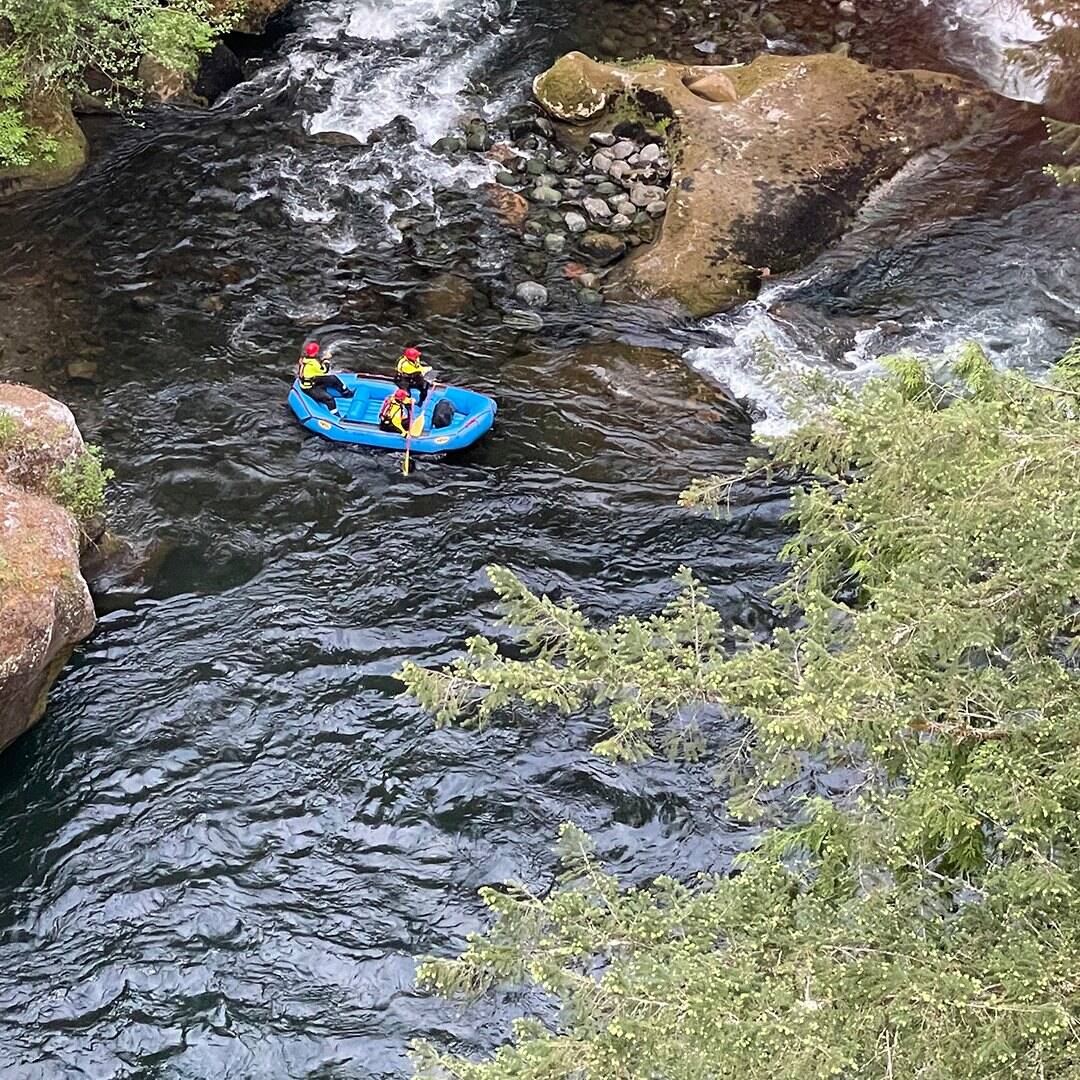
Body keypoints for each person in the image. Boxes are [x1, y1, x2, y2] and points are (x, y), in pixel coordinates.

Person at [296, 341, 352, 414]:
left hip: (313, 380)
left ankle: (347, 393)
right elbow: (325, 370)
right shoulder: (313, 363)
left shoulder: (305, 360)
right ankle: (335, 415)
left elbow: (318, 368)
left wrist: (323, 359)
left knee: (333, 378)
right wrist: (326, 360)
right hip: (309, 388)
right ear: (315, 352)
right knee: (330, 399)